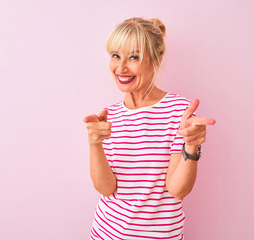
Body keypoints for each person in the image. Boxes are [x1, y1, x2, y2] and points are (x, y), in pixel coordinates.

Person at [83, 17, 216, 240]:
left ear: (155, 60)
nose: (121, 67)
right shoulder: (109, 116)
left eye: (134, 57)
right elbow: (106, 189)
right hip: (106, 233)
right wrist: (94, 144)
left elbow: (178, 190)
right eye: (116, 56)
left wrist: (192, 147)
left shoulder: (179, 112)